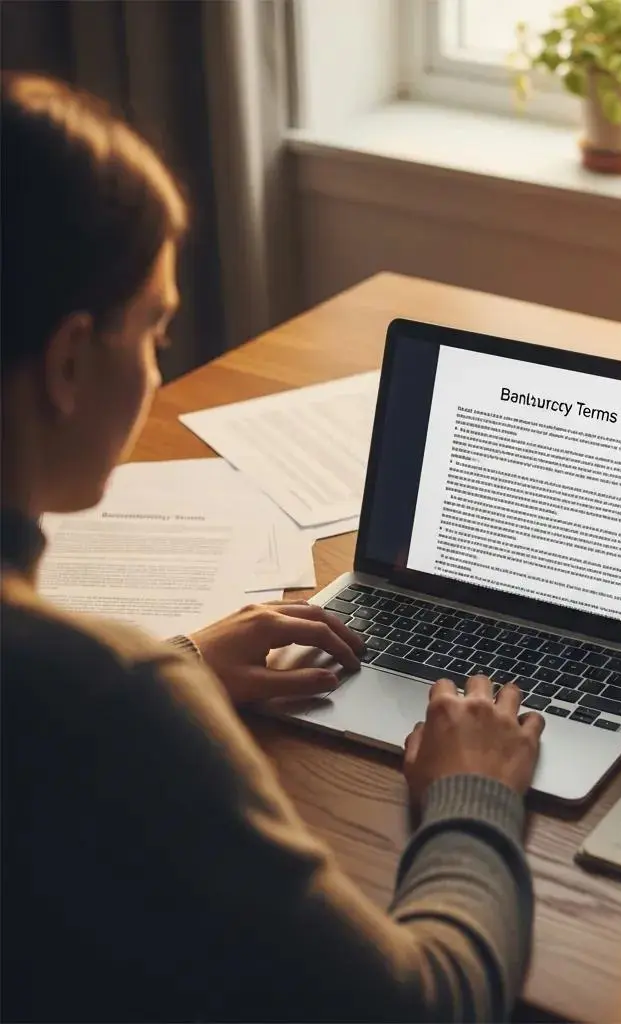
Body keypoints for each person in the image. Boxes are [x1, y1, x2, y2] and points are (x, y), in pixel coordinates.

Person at [1, 72, 545, 1023]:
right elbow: (428, 1005)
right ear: (68, 360)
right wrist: (473, 796)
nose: (160, 367)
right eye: (157, 330)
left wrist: (181, 665)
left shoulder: (98, 692)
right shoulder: (111, 706)